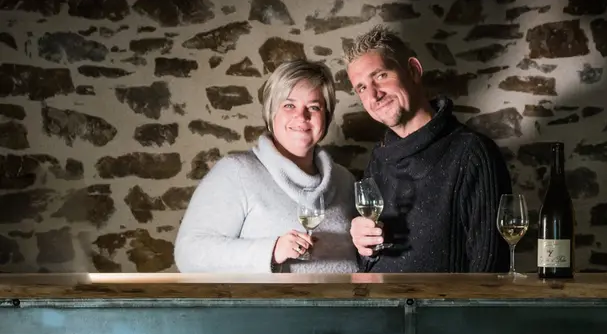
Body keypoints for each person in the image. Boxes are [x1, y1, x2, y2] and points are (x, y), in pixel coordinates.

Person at [344, 25, 511, 272]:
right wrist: (364, 249)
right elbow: (371, 266)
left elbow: (490, 270)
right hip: (380, 299)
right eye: (361, 88)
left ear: (413, 70)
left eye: (380, 76)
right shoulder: (378, 160)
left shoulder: (472, 153)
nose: (373, 95)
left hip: (444, 300)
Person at [174, 60, 357, 273]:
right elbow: (189, 253)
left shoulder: (344, 181)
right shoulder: (236, 171)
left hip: (348, 297)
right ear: (271, 112)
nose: (302, 116)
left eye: (314, 107)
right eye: (289, 105)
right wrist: (271, 250)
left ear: (326, 116)